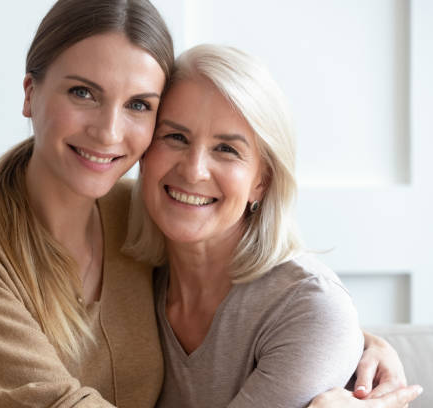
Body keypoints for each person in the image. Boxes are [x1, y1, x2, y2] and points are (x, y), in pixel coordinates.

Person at [0, 1, 418, 407]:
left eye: (139, 106)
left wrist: (356, 350)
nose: (108, 131)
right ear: (30, 93)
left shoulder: (139, 217)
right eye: (83, 92)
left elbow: (282, 304)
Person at [123, 44, 422, 408]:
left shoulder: (308, 308)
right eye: (176, 137)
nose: (193, 170)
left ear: (261, 181)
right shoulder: (124, 263)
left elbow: (322, 316)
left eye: (227, 149)